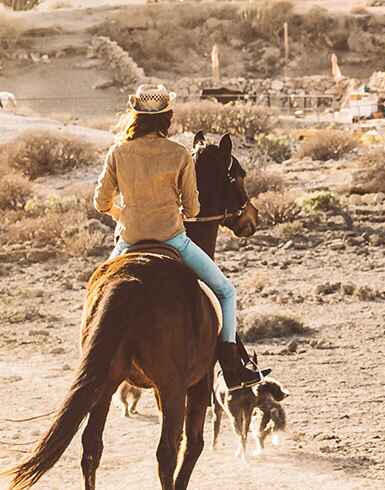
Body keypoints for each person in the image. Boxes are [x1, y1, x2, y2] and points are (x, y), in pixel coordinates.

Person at [93, 84, 269, 390]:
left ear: (135, 116)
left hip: (129, 241)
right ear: (167, 117)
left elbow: (101, 202)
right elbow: (193, 208)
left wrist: (127, 215)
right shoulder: (178, 154)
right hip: (173, 240)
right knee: (226, 292)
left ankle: (92, 362)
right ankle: (232, 368)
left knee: (98, 295)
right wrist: (169, 212)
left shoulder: (118, 152)